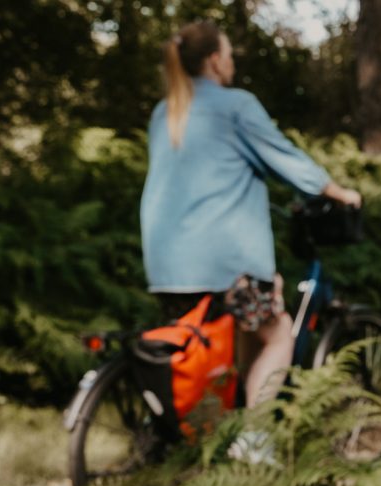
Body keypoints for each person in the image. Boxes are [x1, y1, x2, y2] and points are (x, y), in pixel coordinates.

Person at [140, 20, 361, 409]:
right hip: (224, 264)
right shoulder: (235, 106)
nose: (233, 64)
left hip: (166, 265)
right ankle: (254, 442)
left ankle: (213, 436)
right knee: (278, 338)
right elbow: (286, 160)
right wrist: (339, 192)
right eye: (229, 55)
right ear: (213, 61)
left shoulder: (166, 111)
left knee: (218, 345)